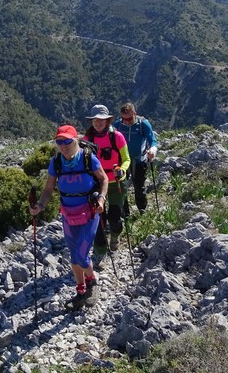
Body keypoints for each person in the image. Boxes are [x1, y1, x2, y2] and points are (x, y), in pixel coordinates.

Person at [30, 124, 108, 309]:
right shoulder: (56, 162)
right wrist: (40, 206)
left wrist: (102, 200)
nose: (63, 145)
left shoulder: (88, 158)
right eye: (59, 141)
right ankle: (81, 292)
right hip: (68, 214)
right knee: (74, 257)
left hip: (89, 212)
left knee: (81, 256)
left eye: (67, 141)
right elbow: (48, 189)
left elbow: (104, 179)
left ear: (76, 140)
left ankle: (92, 282)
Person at [84, 104, 130, 258]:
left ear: (107, 120)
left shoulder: (117, 137)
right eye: (95, 119)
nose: (98, 122)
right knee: (98, 218)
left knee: (114, 216)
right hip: (96, 183)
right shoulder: (87, 139)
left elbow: (127, 159)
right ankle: (100, 251)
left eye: (101, 119)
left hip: (116, 182)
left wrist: (122, 169)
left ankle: (116, 234)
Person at [114, 102, 158, 215]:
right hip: (123, 161)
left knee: (139, 187)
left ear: (134, 113)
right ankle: (125, 214)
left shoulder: (143, 124)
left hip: (139, 161)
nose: (126, 122)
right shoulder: (118, 125)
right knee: (122, 187)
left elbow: (152, 139)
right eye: (124, 119)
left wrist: (153, 150)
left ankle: (142, 211)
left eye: (129, 119)